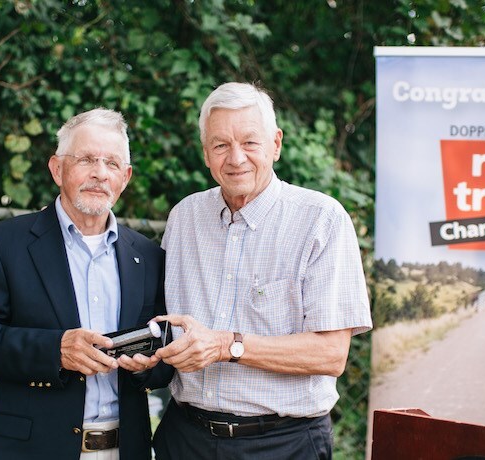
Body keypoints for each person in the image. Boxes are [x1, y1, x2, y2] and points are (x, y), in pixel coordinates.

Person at [148, 82, 373, 459]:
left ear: (276, 144)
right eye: (220, 145)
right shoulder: (184, 217)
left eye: (250, 142)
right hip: (185, 438)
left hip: (282, 443)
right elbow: (165, 324)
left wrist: (226, 345)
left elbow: (330, 355)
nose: (236, 158)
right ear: (206, 154)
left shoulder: (321, 219)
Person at [0, 108, 168, 460]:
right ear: (57, 169)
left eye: (112, 164)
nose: (99, 173)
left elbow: (165, 358)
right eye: (86, 159)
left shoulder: (148, 255)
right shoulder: (3, 244)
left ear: (125, 177)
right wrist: (56, 350)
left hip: (126, 449)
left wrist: (149, 366)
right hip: (34, 449)